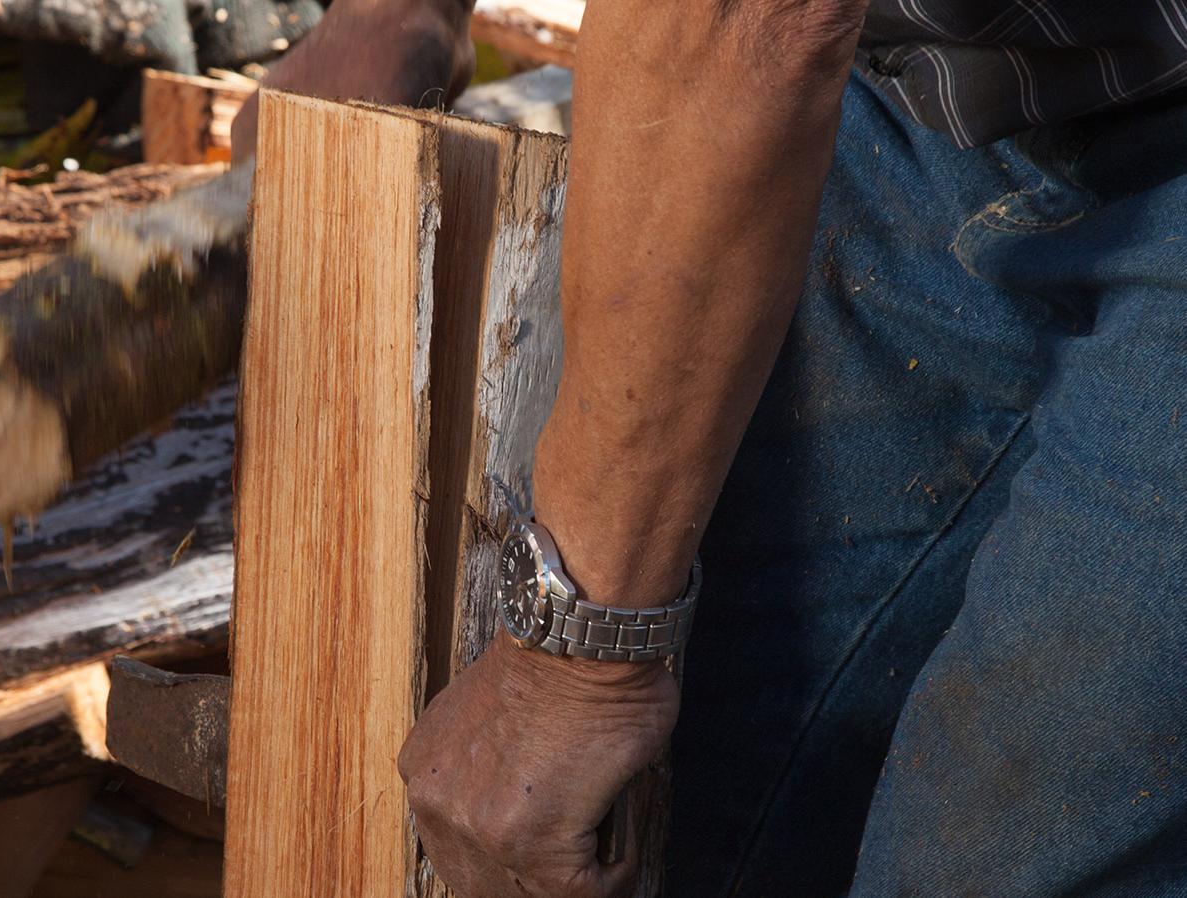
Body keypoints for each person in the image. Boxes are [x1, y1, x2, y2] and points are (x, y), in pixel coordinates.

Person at [235, 1, 1187, 895]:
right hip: (947, 77)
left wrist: (575, 659)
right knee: (710, 816)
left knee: (1007, 838)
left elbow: (746, 22)